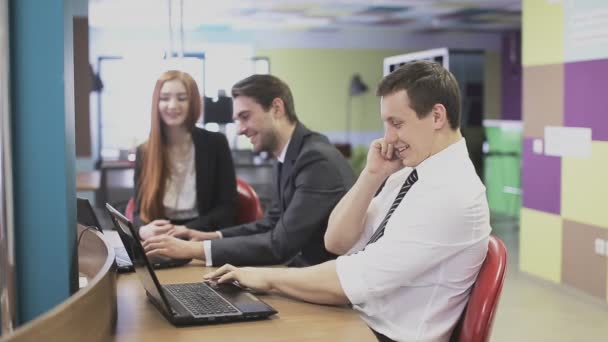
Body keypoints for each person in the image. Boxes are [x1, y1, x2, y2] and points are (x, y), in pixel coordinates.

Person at [202, 61, 492, 342]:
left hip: (384, 334)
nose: (388, 137)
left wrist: (267, 278)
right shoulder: (410, 174)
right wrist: (371, 175)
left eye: (397, 123)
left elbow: (353, 281)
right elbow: (337, 241)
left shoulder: (453, 193)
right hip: (359, 319)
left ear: (437, 117)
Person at [142, 74, 356, 267]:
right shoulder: (290, 154)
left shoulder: (315, 160)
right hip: (305, 268)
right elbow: (272, 223)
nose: (240, 129)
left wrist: (193, 249)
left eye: (245, 116)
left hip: (328, 281)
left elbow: (279, 245)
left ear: (277, 108)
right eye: (237, 120)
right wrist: (209, 236)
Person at [135, 70, 238, 240]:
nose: (173, 105)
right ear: (156, 103)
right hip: (160, 238)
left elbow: (228, 208)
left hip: (202, 235)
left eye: (182, 98)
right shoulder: (145, 151)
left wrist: (186, 230)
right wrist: (142, 230)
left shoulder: (216, 143)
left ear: (193, 103)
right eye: (164, 98)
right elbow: (138, 212)